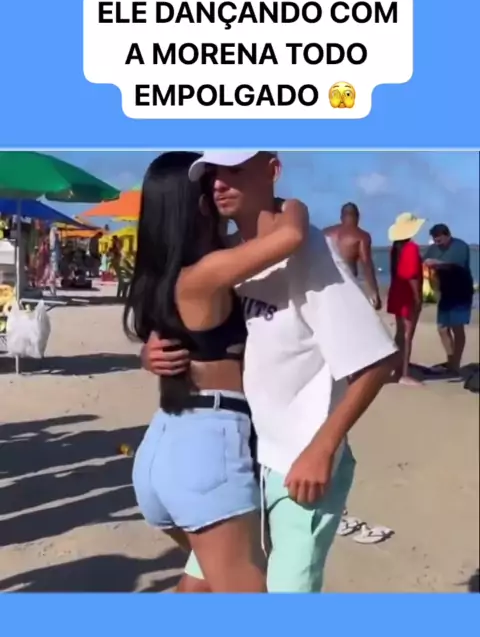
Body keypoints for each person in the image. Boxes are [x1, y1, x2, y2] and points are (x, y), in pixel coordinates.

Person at [142, 150, 398, 593]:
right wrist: (152, 351)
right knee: (196, 589)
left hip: (299, 466)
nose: (219, 183)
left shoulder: (310, 252)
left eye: (235, 170)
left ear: (273, 170)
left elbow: (376, 361)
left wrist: (322, 448)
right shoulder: (232, 256)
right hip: (240, 456)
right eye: (213, 174)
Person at [125, 151, 311, 593]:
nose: (220, 187)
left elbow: (176, 338)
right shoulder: (208, 272)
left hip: (163, 445)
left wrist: (146, 356)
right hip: (208, 450)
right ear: (198, 203)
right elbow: (291, 236)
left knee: (201, 586)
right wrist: (293, 203)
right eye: (211, 183)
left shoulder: (160, 275)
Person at [424, 224, 474, 375]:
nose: (437, 242)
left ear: (447, 235)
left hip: (461, 291)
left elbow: (456, 266)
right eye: (434, 239)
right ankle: (451, 360)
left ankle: (455, 364)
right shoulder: (433, 249)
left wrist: (438, 264)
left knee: (457, 327)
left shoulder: (460, 246)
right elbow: (424, 262)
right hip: (445, 292)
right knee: (442, 328)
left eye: (439, 239)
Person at [386, 213, 425, 386]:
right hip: (407, 293)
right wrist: (418, 297)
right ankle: (403, 373)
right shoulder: (411, 247)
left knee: (401, 333)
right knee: (408, 334)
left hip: (397, 291)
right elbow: (412, 275)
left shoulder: (396, 248)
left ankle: (397, 370)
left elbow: (399, 272)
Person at [323, 202, 381, 309]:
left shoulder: (325, 233)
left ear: (341, 217)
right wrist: (374, 292)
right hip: (348, 283)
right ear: (357, 217)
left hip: (326, 284)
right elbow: (367, 265)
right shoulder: (361, 236)